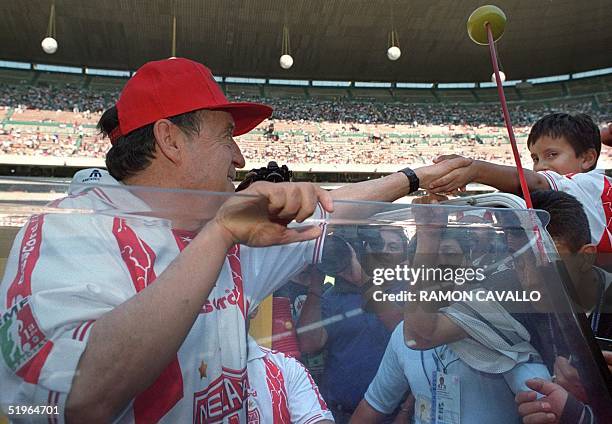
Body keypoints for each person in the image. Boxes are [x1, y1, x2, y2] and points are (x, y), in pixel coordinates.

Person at [0, 57, 470, 423]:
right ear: (170, 139)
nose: (241, 157)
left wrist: (412, 177)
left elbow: (332, 206)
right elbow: (81, 399)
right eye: (227, 135)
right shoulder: (66, 232)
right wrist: (220, 234)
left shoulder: (233, 235)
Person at [428, 113, 612, 268]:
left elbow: (537, 183)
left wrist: (476, 170)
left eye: (552, 155)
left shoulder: (588, 183)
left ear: (587, 158)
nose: (541, 166)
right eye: (535, 158)